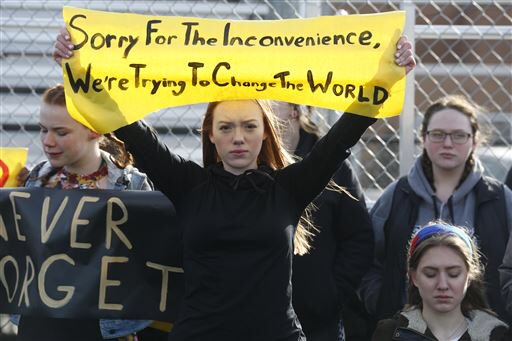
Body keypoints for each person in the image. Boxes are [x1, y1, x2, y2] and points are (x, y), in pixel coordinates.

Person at [55, 28, 415, 340]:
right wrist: (75, 66)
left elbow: (344, 135)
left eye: (248, 126)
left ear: (265, 133)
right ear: (211, 135)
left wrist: (390, 73)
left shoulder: (290, 187)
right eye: (226, 127)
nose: (238, 137)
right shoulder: (187, 183)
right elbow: (130, 129)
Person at [12, 84, 154, 340]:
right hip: (42, 324)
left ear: (93, 129)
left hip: (105, 328)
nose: (47, 141)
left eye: (61, 132)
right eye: (43, 129)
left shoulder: (131, 186)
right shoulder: (33, 183)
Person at [360, 95, 512, 326]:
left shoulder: (500, 199)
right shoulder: (397, 196)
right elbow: (366, 259)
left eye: (459, 135)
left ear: (475, 140)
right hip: (408, 331)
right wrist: (382, 302)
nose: (448, 144)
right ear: (423, 137)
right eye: (438, 134)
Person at [272, 101, 374, 341]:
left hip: (319, 322)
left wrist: (329, 294)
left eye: (271, 97)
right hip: (260, 316)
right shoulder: (246, 159)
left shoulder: (333, 164)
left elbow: (358, 237)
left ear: (294, 109)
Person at [372, 221, 509, 341]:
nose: (442, 285)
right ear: (414, 277)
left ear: (469, 276)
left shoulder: (497, 335)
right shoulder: (389, 333)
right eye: (430, 274)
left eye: (453, 274)